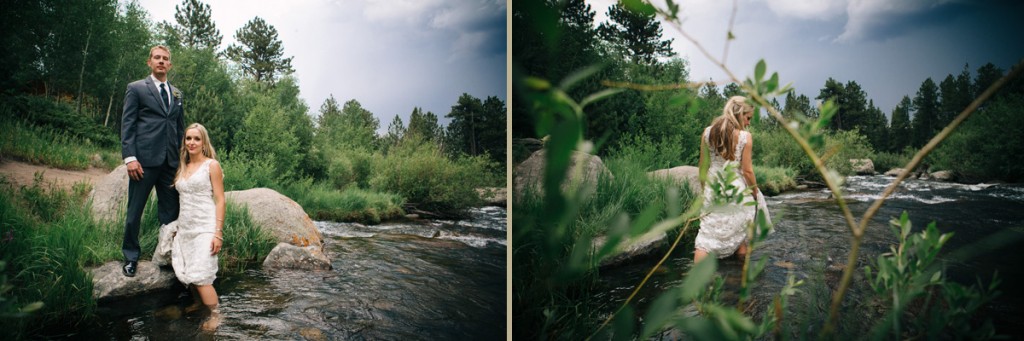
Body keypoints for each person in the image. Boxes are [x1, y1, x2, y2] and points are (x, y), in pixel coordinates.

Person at [121, 45, 186, 277]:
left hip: (170, 163)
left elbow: (180, 130)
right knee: (134, 212)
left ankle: (167, 255)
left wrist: (184, 162)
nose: (161, 61)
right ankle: (130, 257)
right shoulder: (136, 88)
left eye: (165, 59)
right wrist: (130, 158)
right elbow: (127, 125)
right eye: (157, 58)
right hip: (143, 163)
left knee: (171, 213)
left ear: (170, 64)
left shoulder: (177, 93)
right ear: (150, 62)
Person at [154, 123, 226, 331]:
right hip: (185, 228)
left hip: (205, 226)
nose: (192, 142)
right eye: (188, 138)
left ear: (204, 142)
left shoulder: (211, 165)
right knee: (188, 270)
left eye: (196, 138)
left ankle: (216, 315)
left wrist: (218, 233)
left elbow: (220, 200)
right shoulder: (182, 165)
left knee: (201, 275)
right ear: (184, 142)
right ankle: (197, 303)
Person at [693, 96, 761, 263]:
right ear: (739, 114)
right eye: (748, 118)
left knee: (707, 235)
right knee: (739, 231)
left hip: (713, 186)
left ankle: (697, 281)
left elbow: (702, 167)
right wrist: (754, 192)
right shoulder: (745, 137)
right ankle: (738, 277)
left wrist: (704, 190)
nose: (749, 123)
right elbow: (747, 171)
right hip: (736, 188)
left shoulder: (707, 132)